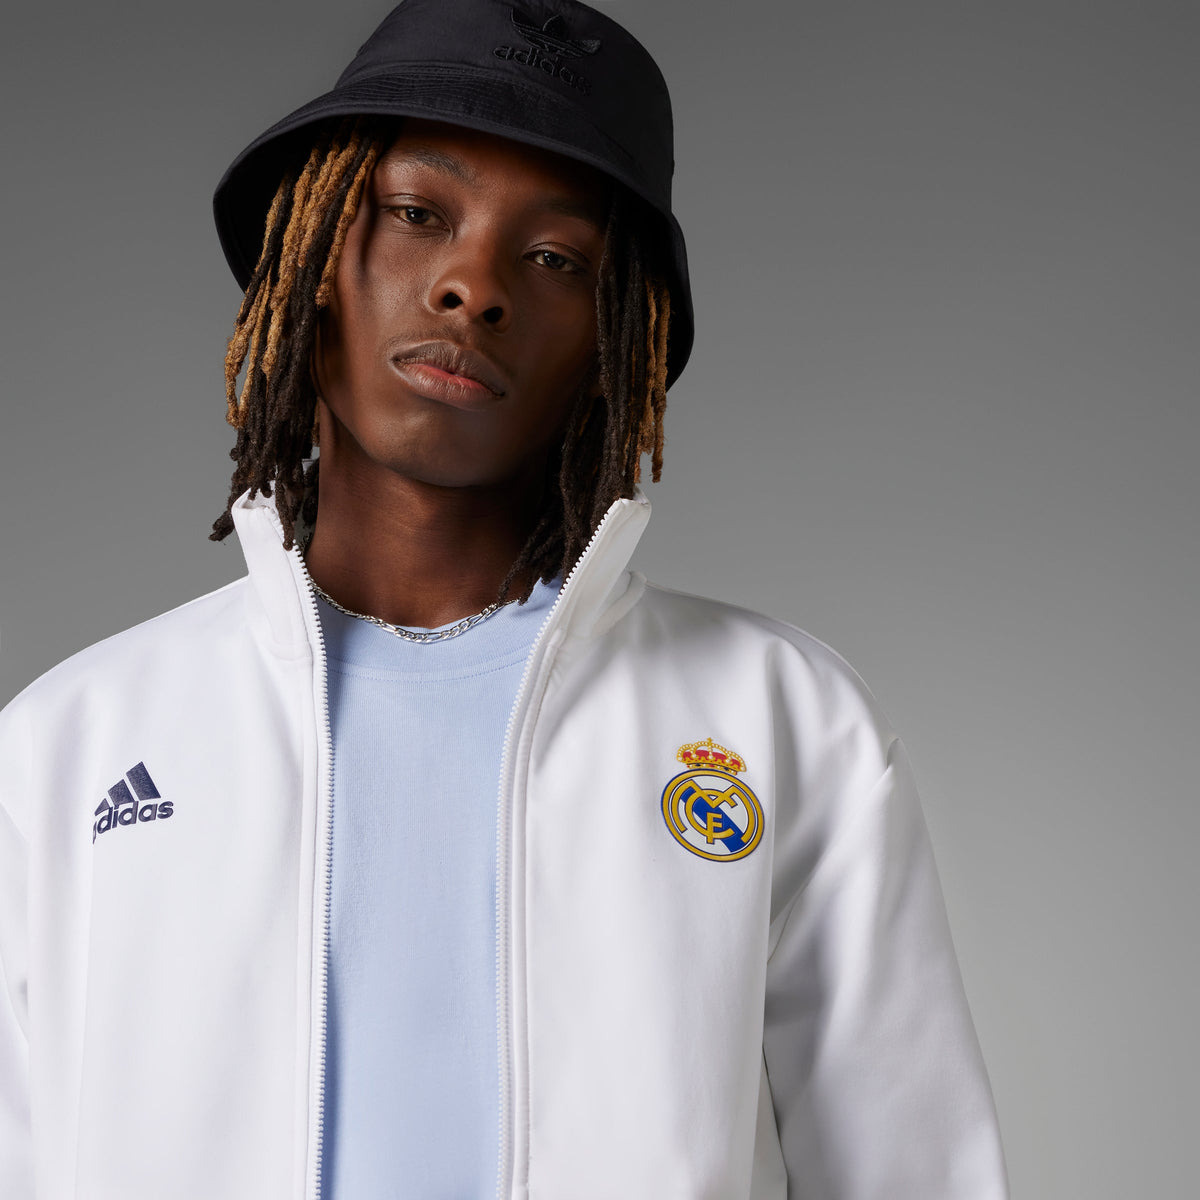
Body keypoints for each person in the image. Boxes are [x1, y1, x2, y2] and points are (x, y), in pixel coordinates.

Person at [0, 0, 1009, 1196]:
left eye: (555, 260)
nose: (471, 288)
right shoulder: (74, 744)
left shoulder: (784, 722)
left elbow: (911, 1170)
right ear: (309, 257)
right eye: (417, 214)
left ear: (616, 342)